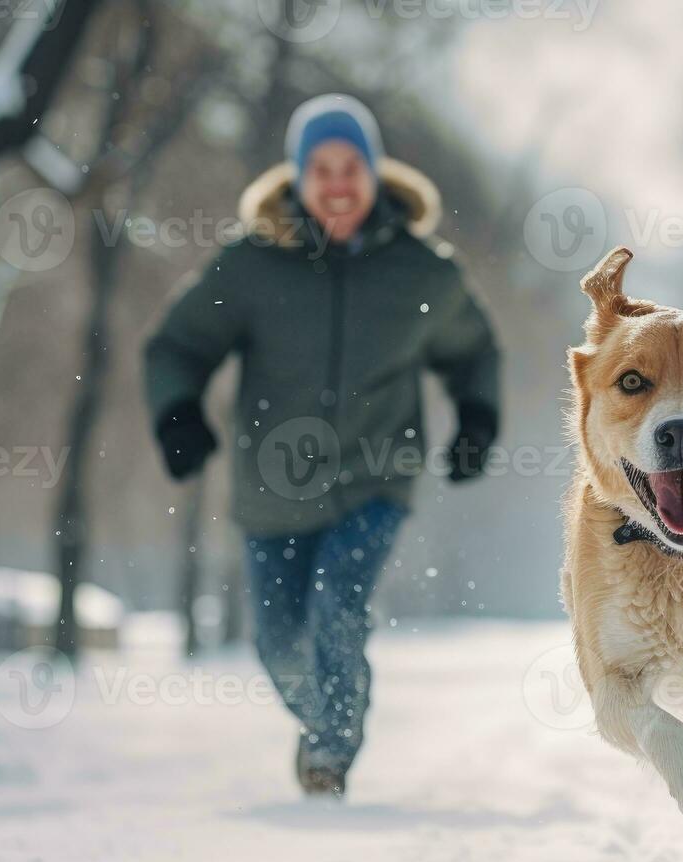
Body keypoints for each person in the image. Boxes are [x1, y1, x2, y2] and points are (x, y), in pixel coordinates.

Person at [143, 94, 500, 797]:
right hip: (272, 485)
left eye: (351, 167)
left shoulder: (422, 271)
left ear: (375, 173)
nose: (338, 183)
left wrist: (477, 421)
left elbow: (474, 351)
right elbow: (179, 343)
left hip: (376, 477)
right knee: (277, 642)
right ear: (297, 178)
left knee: (338, 605)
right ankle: (322, 723)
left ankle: (331, 752)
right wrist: (177, 413)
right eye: (321, 168)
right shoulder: (252, 265)